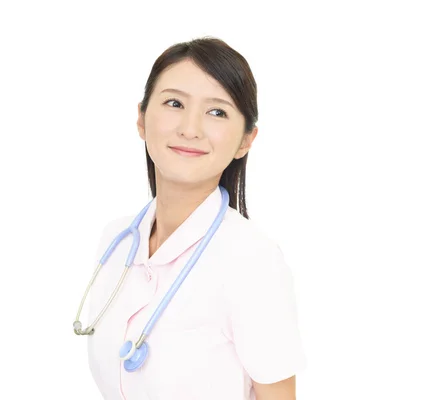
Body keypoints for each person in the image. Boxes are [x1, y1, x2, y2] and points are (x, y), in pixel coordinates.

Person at [82, 37, 306, 399]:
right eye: (174, 103)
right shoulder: (116, 239)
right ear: (141, 118)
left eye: (217, 111)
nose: (190, 128)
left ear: (245, 140)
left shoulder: (252, 260)